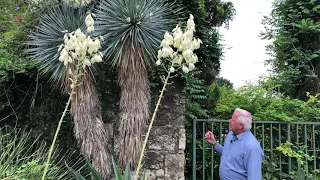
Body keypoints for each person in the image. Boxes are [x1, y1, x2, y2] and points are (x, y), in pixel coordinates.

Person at [205, 108, 264, 180]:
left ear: (240, 126)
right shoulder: (231, 135)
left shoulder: (252, 147)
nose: (229, 121)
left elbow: (254, 177)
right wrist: (215, 144)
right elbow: (229, 155)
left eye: (233, 120)